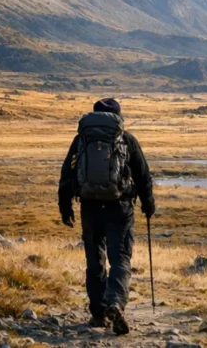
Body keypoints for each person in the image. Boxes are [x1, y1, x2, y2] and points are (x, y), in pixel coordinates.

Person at [59, 97, 155, 334]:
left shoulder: (81, 139)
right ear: (118, 117)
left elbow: (67, 172)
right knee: (120, 257)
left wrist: (65, 206)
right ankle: (115, 302)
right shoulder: (126, 139)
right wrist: (148, 204)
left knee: (94, 260)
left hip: (90, 207)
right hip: (120, 207)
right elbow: (143, 175)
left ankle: (99, 314)